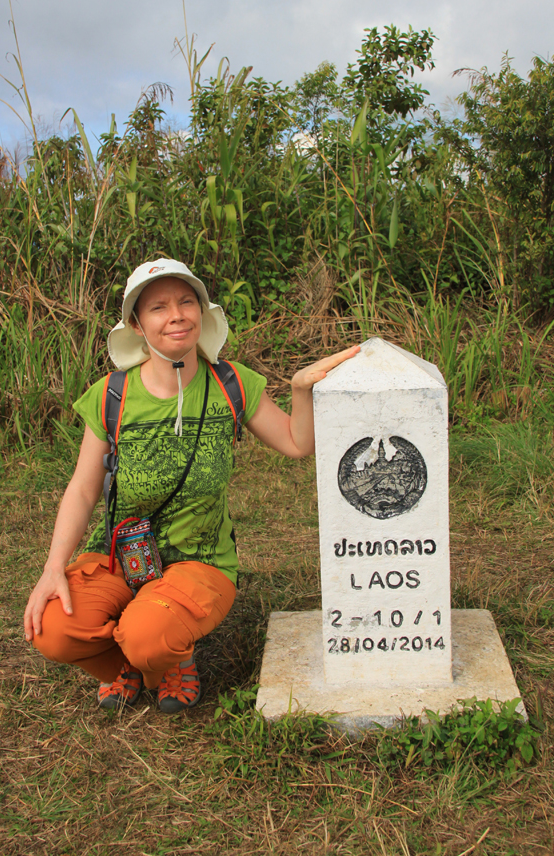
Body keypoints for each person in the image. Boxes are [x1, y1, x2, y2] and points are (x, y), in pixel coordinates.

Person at [24, 258, 358, 712]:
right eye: (158, 307)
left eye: (187, 302)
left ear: (203, 311)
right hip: (121, 557)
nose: (177, 315)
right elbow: (83, 490)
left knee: (147, 633)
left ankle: (164, 657)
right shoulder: (111, 396)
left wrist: (301, 389)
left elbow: (297, 443)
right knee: (52, 628)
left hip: (202, 561)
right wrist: (52, 568)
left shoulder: (232, 383)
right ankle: (126, 664)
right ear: (137, 325)